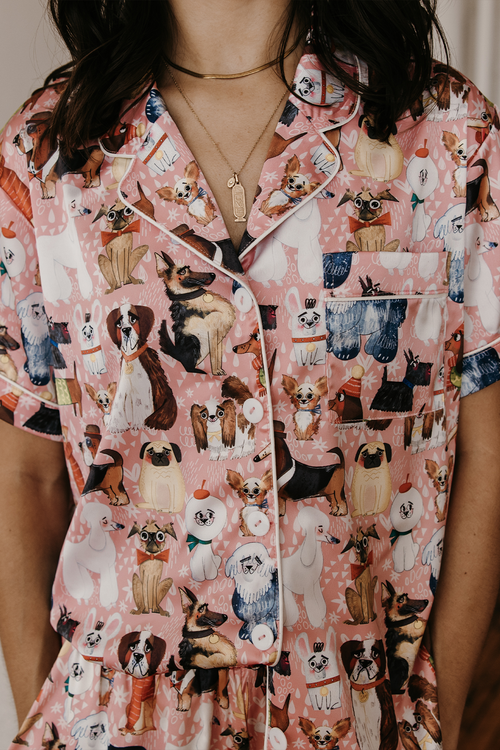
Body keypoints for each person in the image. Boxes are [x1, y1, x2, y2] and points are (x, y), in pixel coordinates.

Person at [1, 1, 500, 748]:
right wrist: (47, 708)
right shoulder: (47, 153)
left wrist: (440, 714)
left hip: (358, 711)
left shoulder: (446, 132)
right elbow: (26, 473)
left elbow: (488, 448)